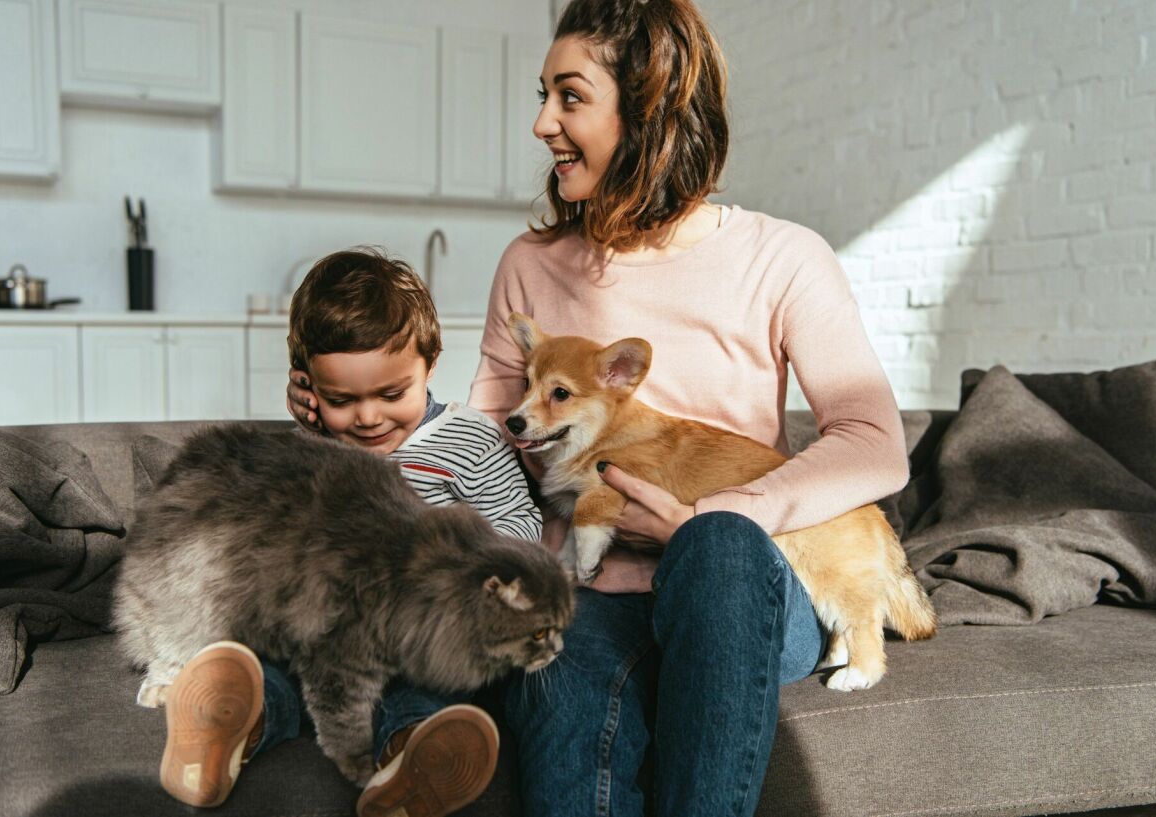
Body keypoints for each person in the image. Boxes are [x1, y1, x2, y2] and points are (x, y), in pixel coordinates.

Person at [288, 1, 909, 814]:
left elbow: (873, 442)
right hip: (587, 595)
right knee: (555, 658)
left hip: (736, 589)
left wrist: (707, 516)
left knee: (720, 545)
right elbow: (478, 445)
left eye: (570, 97)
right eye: (542, 95)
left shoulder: (784, 258)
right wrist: (347, 427)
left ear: (649, 109)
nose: (542, 123)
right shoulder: (529, 264)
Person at [161, 248, 540, 811]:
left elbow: (523, 525)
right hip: (323, 626)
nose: (367, 418)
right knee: (275, 672)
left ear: (431, 364)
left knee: (421, 691)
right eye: (341, 400)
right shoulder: (319, 444)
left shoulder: (469, 441)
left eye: (392, 394)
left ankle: (410, 764)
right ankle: (227, 726)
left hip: (419, 633)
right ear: (308, 385)